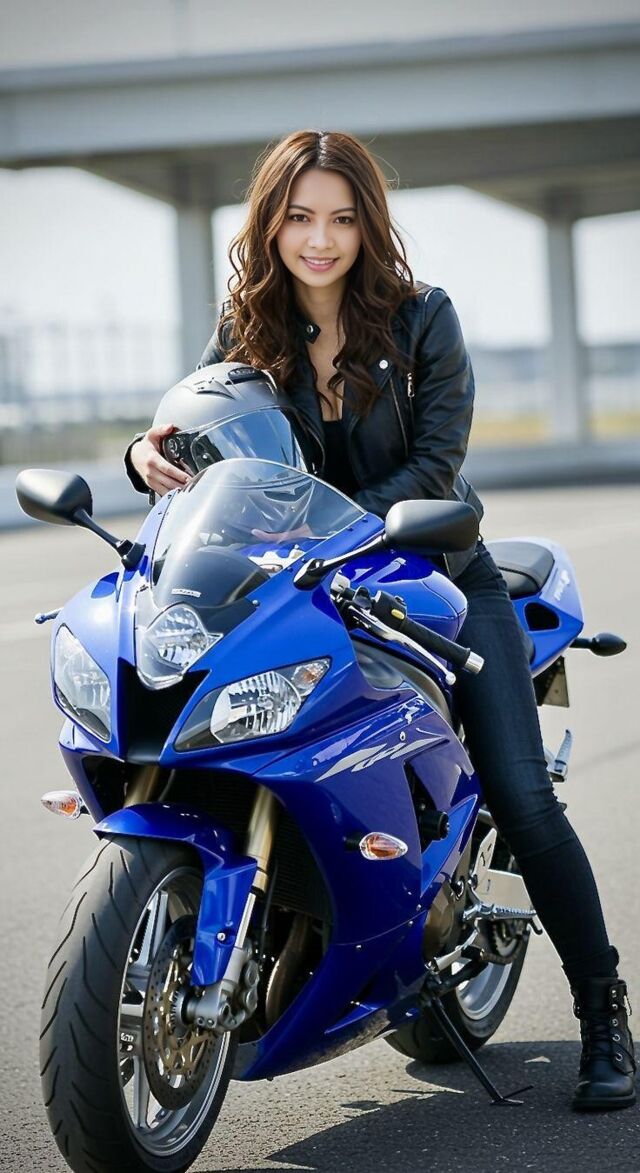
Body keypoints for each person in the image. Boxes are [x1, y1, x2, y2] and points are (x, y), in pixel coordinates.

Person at [124, 129, 636, 1111]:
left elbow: (437, 466)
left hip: (437, 575)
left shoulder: (423, 319)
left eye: (341, 218)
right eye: (299, 217)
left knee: (524, 797)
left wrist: (332, 526)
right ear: (270, 224)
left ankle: (603, 1016)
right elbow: (193, 432)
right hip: (301, 586)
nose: (319, 239)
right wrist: (145, 460)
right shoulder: (246, 327)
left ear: (368, 225)